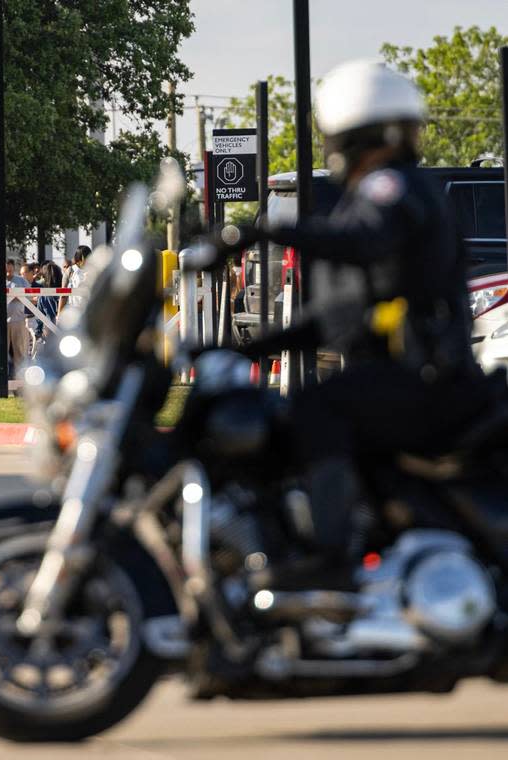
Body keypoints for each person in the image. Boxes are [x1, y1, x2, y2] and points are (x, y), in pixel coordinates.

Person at [217, 60, 496, 585]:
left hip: (428, 378)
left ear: (356, 137)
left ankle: (330, 558)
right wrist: (246, 351)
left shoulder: (391, 188)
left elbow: (362, 239)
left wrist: (264, 234)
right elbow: (338, 317)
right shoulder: (389, 194)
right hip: (420, 376)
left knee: (318, 407)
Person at [5, 258, 31, 373]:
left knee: (19, 350)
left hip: (18, 319)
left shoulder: (21, 281)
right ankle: (3, 374)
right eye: (6, 267)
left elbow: (30, 295)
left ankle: (20, 374)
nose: (8, 270)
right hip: (2, 320)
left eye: (10, 267)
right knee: (2, 351)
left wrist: (16, 296)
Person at [59, 245, 90, 313]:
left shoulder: (94, 270)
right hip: (73, 310)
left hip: (89, 310)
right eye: (85, 256)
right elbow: (63, 294)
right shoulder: (71, 270)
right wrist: (59, 313)